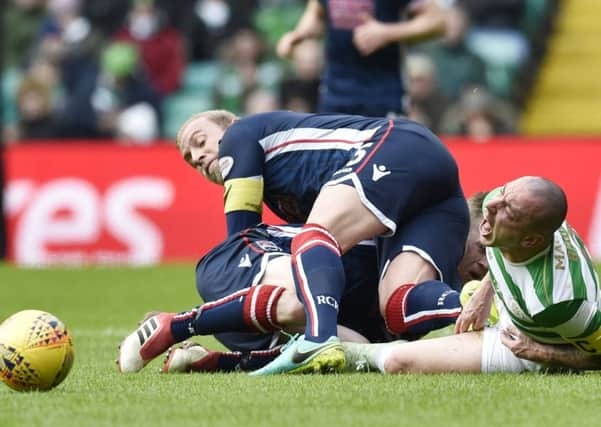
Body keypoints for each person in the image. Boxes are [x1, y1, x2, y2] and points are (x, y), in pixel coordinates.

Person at [175, 109, 470, 374]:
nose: (198, 158)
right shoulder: (284, 190)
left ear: (231, 125)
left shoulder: (240, 135)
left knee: (314, 237)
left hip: (396, 146)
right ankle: (479, 302)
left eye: (200, 142)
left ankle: (320, 338)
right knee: (396, 307)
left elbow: (240, 241)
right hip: (436, 185)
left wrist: (212, 316)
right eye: (190, 161)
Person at [118, 193, 487, 373]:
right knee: (304, 299)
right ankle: (176, 325)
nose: (483, 264)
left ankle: (212, 362)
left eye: (492, 262)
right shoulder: (414, 233)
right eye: (482, 248)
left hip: (259, 320)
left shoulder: (429, 289)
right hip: (243, 255)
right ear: (465, 221)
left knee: (358, 351)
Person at [343, 176, 601, 374]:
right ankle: (320, 342)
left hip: (524, 341)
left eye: (507, 210)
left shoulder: (559, 302)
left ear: (530, 240)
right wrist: (485, 292)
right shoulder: (518, 215)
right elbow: (506, 244)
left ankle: (327, 350)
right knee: (466, 296)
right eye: (502, 194)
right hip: (511, 304)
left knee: (398, 363)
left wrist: (539, 352)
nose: (491, 207)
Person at [276, 0, 446, 117]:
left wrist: (387, 33)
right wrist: (298, 35)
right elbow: (317, 11)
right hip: (334, 93)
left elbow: (437, 22)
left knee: (382, 165)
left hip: (383, 94)